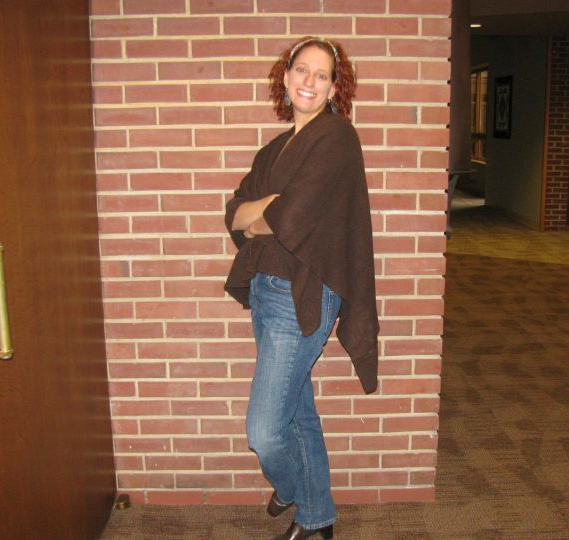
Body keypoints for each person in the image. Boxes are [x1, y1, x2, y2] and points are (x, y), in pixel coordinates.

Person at [224, 36, 379, 540]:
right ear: (286, 76)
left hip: (302, 294)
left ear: (334, 88)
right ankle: (318, 519)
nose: (309, 81)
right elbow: (234, 213)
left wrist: (265, 212)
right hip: (266, 291)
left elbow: (288, 216)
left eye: (322, 74)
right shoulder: (275, 148)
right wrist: (263, 211)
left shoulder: (336, 138)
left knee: (265, 429)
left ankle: (291, 488)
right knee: (297, 413)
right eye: (301, 69)